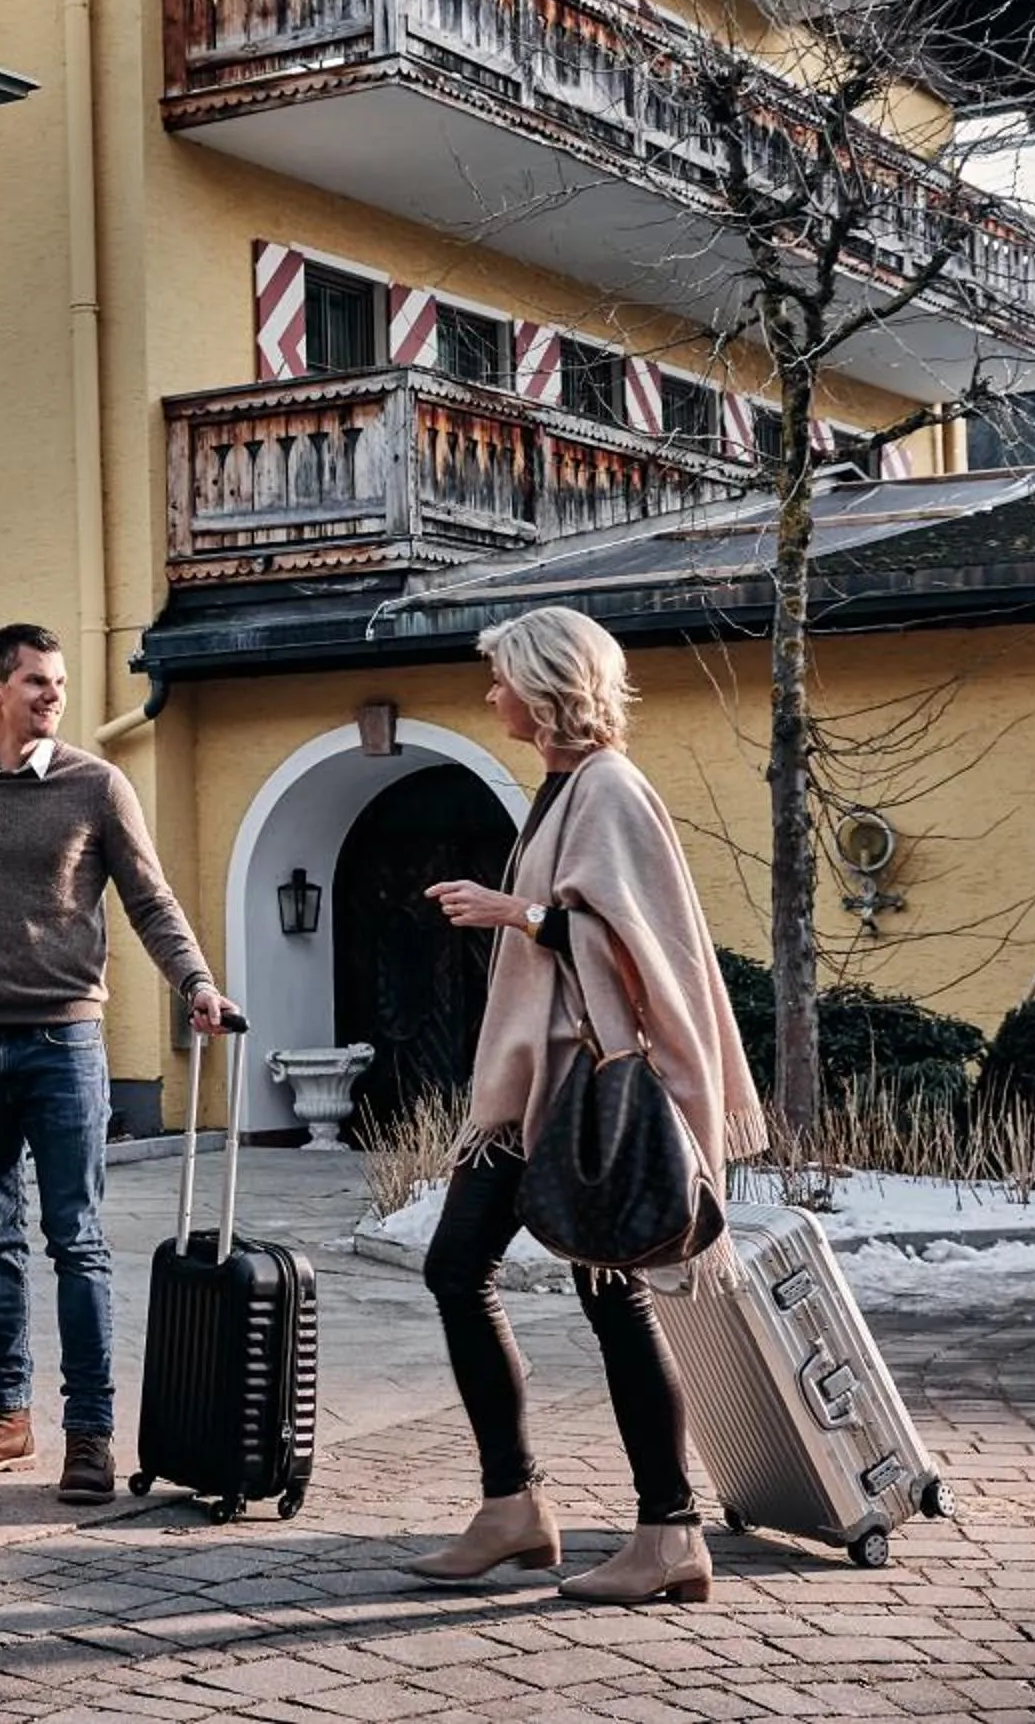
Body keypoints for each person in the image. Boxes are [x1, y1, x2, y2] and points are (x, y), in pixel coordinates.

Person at [414, 605, 765, 1604]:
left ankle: (664, 1530)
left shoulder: (611, 787)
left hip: (581, 1088)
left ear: (546, 683)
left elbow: (634, 944)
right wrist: (523, 911)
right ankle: (519, 1506)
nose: (490, 696)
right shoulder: (566, 785)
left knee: (603, 1295)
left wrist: (514, 910)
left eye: (500, 680)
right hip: (533, 1086)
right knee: (468, 1271)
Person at [0, 623, 237, 1505]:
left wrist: (197, 985)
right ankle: (7, 1418)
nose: (53, 694)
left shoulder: (97, 785)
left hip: (64, 1043)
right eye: (36, 681)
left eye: (57, 681)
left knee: (78, 1240)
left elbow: (150, 898)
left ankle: (90, 1436)